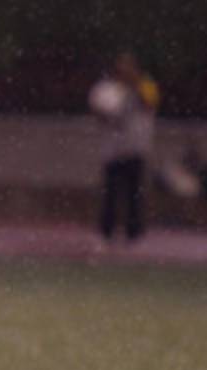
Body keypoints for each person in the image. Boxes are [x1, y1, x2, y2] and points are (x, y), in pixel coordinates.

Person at [88, 52, 160, 242]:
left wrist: (135, 86)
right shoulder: (106, 89)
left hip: (136, 147)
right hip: (113, 150)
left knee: (135, 193)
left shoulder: (146, 85)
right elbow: (101, 112)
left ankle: (134, 233)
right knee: (111, 193)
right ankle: (107, 231)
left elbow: (150, 103)